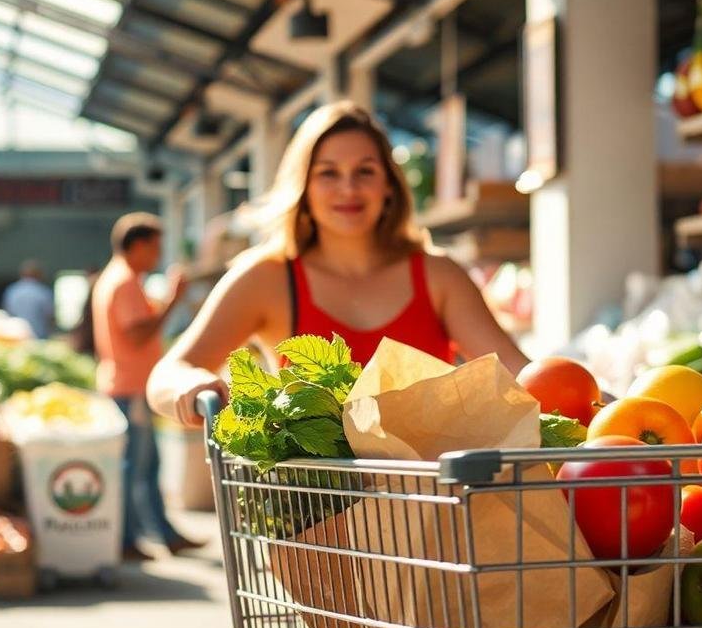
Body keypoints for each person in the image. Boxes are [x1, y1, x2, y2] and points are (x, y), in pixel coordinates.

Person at [147, 101, 529, 429]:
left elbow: (517, 372)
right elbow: (167, 374)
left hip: (427, 502)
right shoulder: (268, 279)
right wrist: (191, 385)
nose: (348, 188)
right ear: (304, 186)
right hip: (315, 508)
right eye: (328, 173)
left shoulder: (437, 275)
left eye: (365, 171)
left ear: (389, 185)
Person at [92, 212, 203, 559]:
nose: (158, 255)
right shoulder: (124, 282)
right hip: (131, 386)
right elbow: (138, 333)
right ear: (137, 246)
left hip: (126, 384)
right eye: (155, 247)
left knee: (144, 465)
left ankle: (158, 534)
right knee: (136, 468)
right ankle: (130, 540)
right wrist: (172, 300)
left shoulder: (117, 279)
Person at [2, 260, 54, 339]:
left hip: (16, 337)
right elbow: (50, 317)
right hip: (39, 337)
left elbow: (8, 313)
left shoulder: (12, 291)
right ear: (38, 274)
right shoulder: (43, 292)